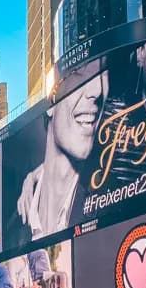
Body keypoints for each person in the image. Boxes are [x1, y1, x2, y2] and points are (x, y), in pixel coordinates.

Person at [15, 72, 109, 241]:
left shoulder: (107, 204)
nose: (98, 90)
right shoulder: (12, 230)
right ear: (50, 104)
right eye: (80, 72)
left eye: (103, 73)